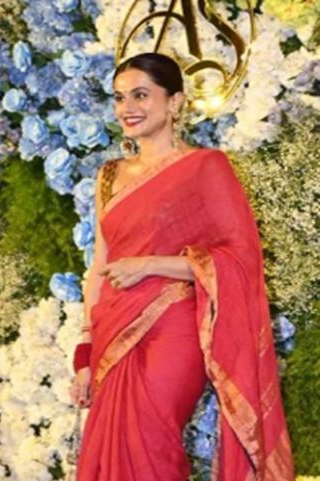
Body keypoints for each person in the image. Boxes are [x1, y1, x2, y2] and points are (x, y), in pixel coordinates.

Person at [68, 53, 294, 480]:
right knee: (109, 451)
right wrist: (84, 350)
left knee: (153, 440)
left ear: (174, 102)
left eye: (141, 95)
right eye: (119, 97)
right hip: (113, 327)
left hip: (173, 327)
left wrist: (150, 265)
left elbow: (240, 258)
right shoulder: (109, 176)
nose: (127, 108)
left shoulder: (206, 167)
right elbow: (100, 264)